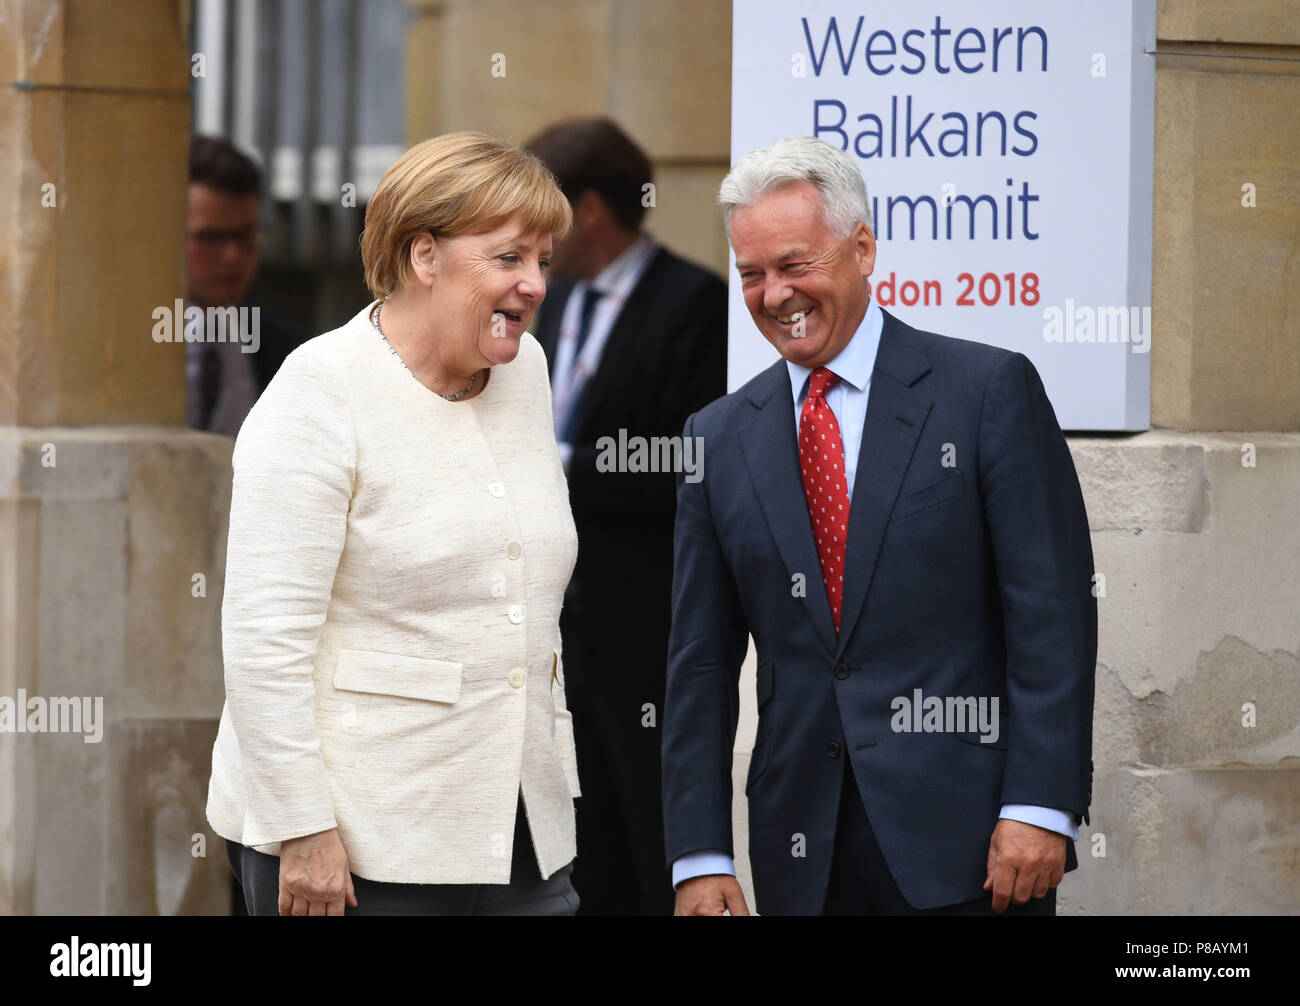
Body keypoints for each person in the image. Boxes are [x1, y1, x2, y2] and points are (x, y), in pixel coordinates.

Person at [662, 136, 1096, 916]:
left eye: (795, 265)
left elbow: (1051, 617)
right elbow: (699, 664)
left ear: (862, 250)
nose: (773, 295)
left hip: (974, 849)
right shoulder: (716, 438)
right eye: (751, 274)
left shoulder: (986, 392)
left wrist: (1039, 805)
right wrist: (699, 852)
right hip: (802, 855)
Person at [206, 131, 583, 915]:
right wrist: (303, 833)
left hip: (518, 833)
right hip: (357, 848)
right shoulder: (319, 391)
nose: (536, 284)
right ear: (424, 256)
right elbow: (263, 643)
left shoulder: (527, 373)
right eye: (510, 257)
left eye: (543, 260)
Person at [525, 117, 727, 915]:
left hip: (641, 621)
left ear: (592, 209)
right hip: (558, 629)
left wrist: (562, 465)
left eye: (545, 212)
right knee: (583, 835)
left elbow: (691, 462)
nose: (530, 236)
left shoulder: (696, 303)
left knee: (646, 822)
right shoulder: (555, 295)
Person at [186, 135, 303, 436]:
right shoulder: (125, 350)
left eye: (245, 236)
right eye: (211, 238)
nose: (233, 256)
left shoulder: (286, 353)